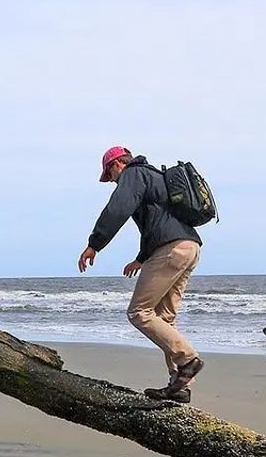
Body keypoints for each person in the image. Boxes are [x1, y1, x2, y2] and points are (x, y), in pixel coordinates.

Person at [78, 145, 204, 403]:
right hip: (189, 247)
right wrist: (141, 259)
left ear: (117, 165)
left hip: (170, 249)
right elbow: (159, 222)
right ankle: (180, 386)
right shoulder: (155, 176)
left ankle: (188, 359)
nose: (112, 181)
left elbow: (118, 209)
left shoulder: (133, 174)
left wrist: (94, 244)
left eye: (109, 175)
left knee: (139, 312)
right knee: (164, 318)